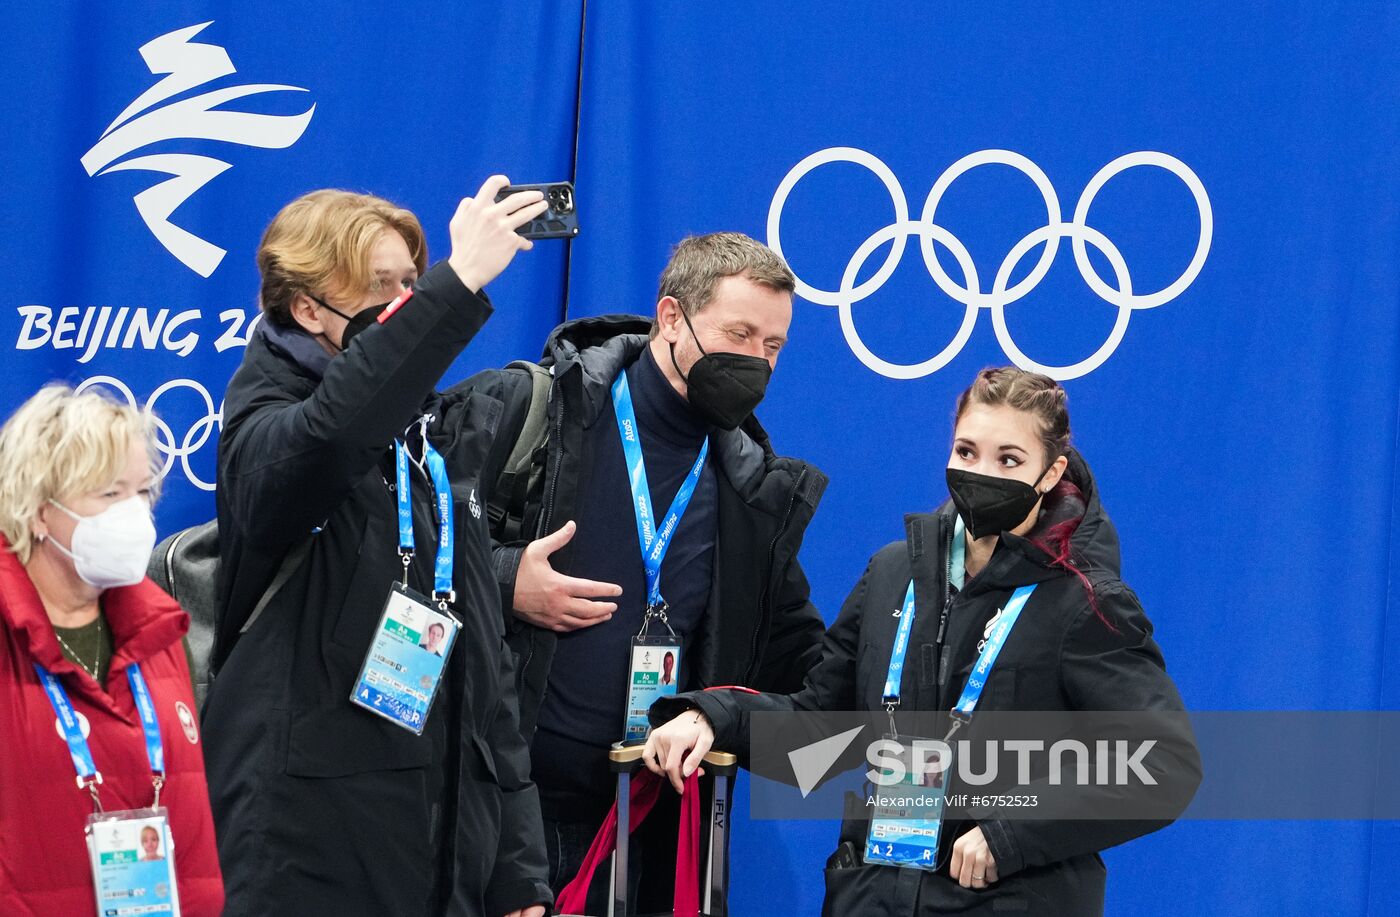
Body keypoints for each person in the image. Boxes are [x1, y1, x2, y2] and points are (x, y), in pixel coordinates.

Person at [644, 367, 1202, 916]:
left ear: (1051, 473)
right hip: (872, 897)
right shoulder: (893, 574)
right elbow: (822, 731)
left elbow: (1163, 766)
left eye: (1009, 459)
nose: (981, 472)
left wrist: (1011, 833)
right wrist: (714, 715)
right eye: (966, 452)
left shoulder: (1085, 601)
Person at [202, 180, 552, 917]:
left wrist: (516, 867)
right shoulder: (264, 427)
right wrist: (457, 285)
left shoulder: (424, 441)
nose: (401, 302)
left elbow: (485, 676)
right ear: (306, 308)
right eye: (378, 286)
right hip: (305, 856)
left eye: (411, 284)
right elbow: (332, 432)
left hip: (437, 857)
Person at [462, 232, 829, 905]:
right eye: (741, 334)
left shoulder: (752, 492)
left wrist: (714, 715)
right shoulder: (532, 410)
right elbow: (385, 549)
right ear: (670, 317)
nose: (759, 362)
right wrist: (506, 576)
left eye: (774, 346)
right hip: (488, 817)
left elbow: (813, 683)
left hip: (636, 834)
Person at [0, 386, 223, 915]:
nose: (133, 516)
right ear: (37, 510)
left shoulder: (162, 634)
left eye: (141, 493)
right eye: (107, 494)